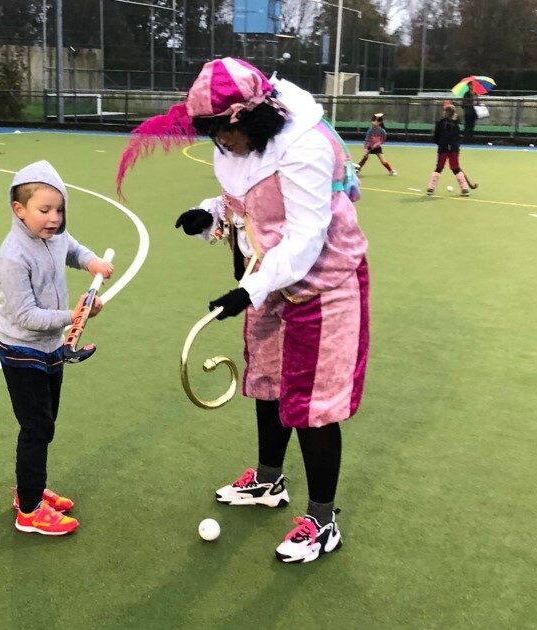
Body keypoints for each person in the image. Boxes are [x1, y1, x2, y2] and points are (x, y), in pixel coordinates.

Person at [116, 58, 369, 564]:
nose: (216, 144)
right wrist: (209, 211)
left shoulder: (305, 148)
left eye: (217, 133)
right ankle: (269, 482)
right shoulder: (242, 142)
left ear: (241, 118)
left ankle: (323, 520)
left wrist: (247, 291)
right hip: (269, 278)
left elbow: (304, 238)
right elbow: (247, 198)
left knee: (312, 406)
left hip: (324, 282)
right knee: (269, 382)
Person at [0, 160, 114, 536]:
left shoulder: (56, 236)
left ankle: (31, 489)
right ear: (19, 210)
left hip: (51, 348)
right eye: (44, 210)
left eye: (59, 210)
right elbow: (26, 316)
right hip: (21, 351)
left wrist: (91, 260)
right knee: (36, 427)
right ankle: (29, 510)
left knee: (46, 424)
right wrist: (73, 314)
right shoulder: (13, 256)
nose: (54, 218)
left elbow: (73, 248)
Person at [427, 102, 476, 196]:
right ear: (454, 113)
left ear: (445, 112)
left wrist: (440, 143)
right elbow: (458, 137)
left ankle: (431, 188)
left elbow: (435, 137)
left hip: (443, 148)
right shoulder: (456, 124)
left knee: (439, 167)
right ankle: (465, 189)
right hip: (454, 148)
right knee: (455, 168)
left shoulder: (440, 123)